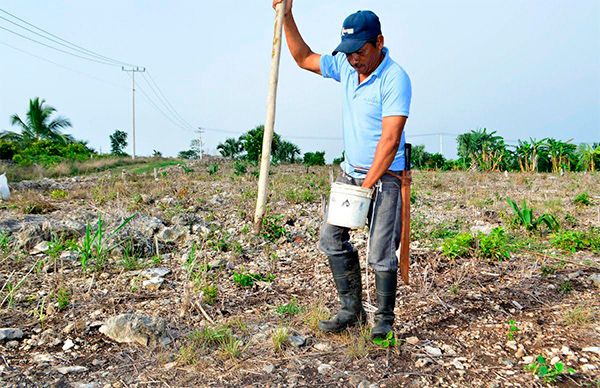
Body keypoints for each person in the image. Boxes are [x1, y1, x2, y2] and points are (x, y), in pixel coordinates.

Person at [272, 0, 411, 339]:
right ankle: (352, 310)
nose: (353, 59)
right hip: (353, 174)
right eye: (348, 52)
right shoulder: (347, 68)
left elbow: (390, 140)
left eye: (360, 51)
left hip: (388, 177)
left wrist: (368, 185)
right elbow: (303, 57)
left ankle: (384, 322)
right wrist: (287, 16)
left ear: (379, 42)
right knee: (331, 238)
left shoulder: (395, 78)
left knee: (380, 253)